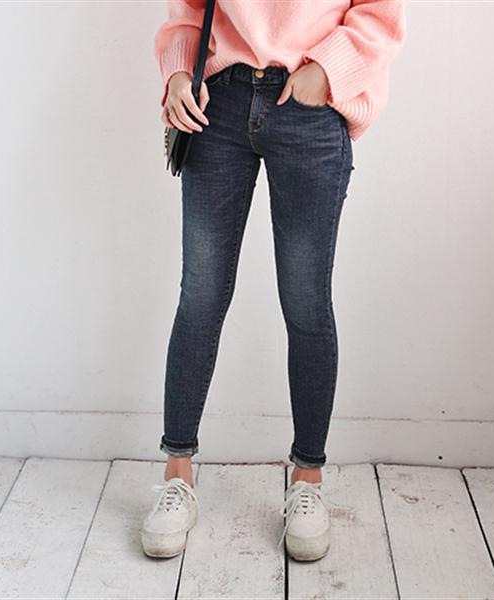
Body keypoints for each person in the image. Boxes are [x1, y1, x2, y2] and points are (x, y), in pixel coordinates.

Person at [142, 0, 406, 561]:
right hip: (218, 102)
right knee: (200, 296)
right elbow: (188, 10)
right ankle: (177, 474)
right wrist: (178, 73)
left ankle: (307, 479)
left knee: (306, 302)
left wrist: (327, 70)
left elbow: (380, 12)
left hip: (310, 105)